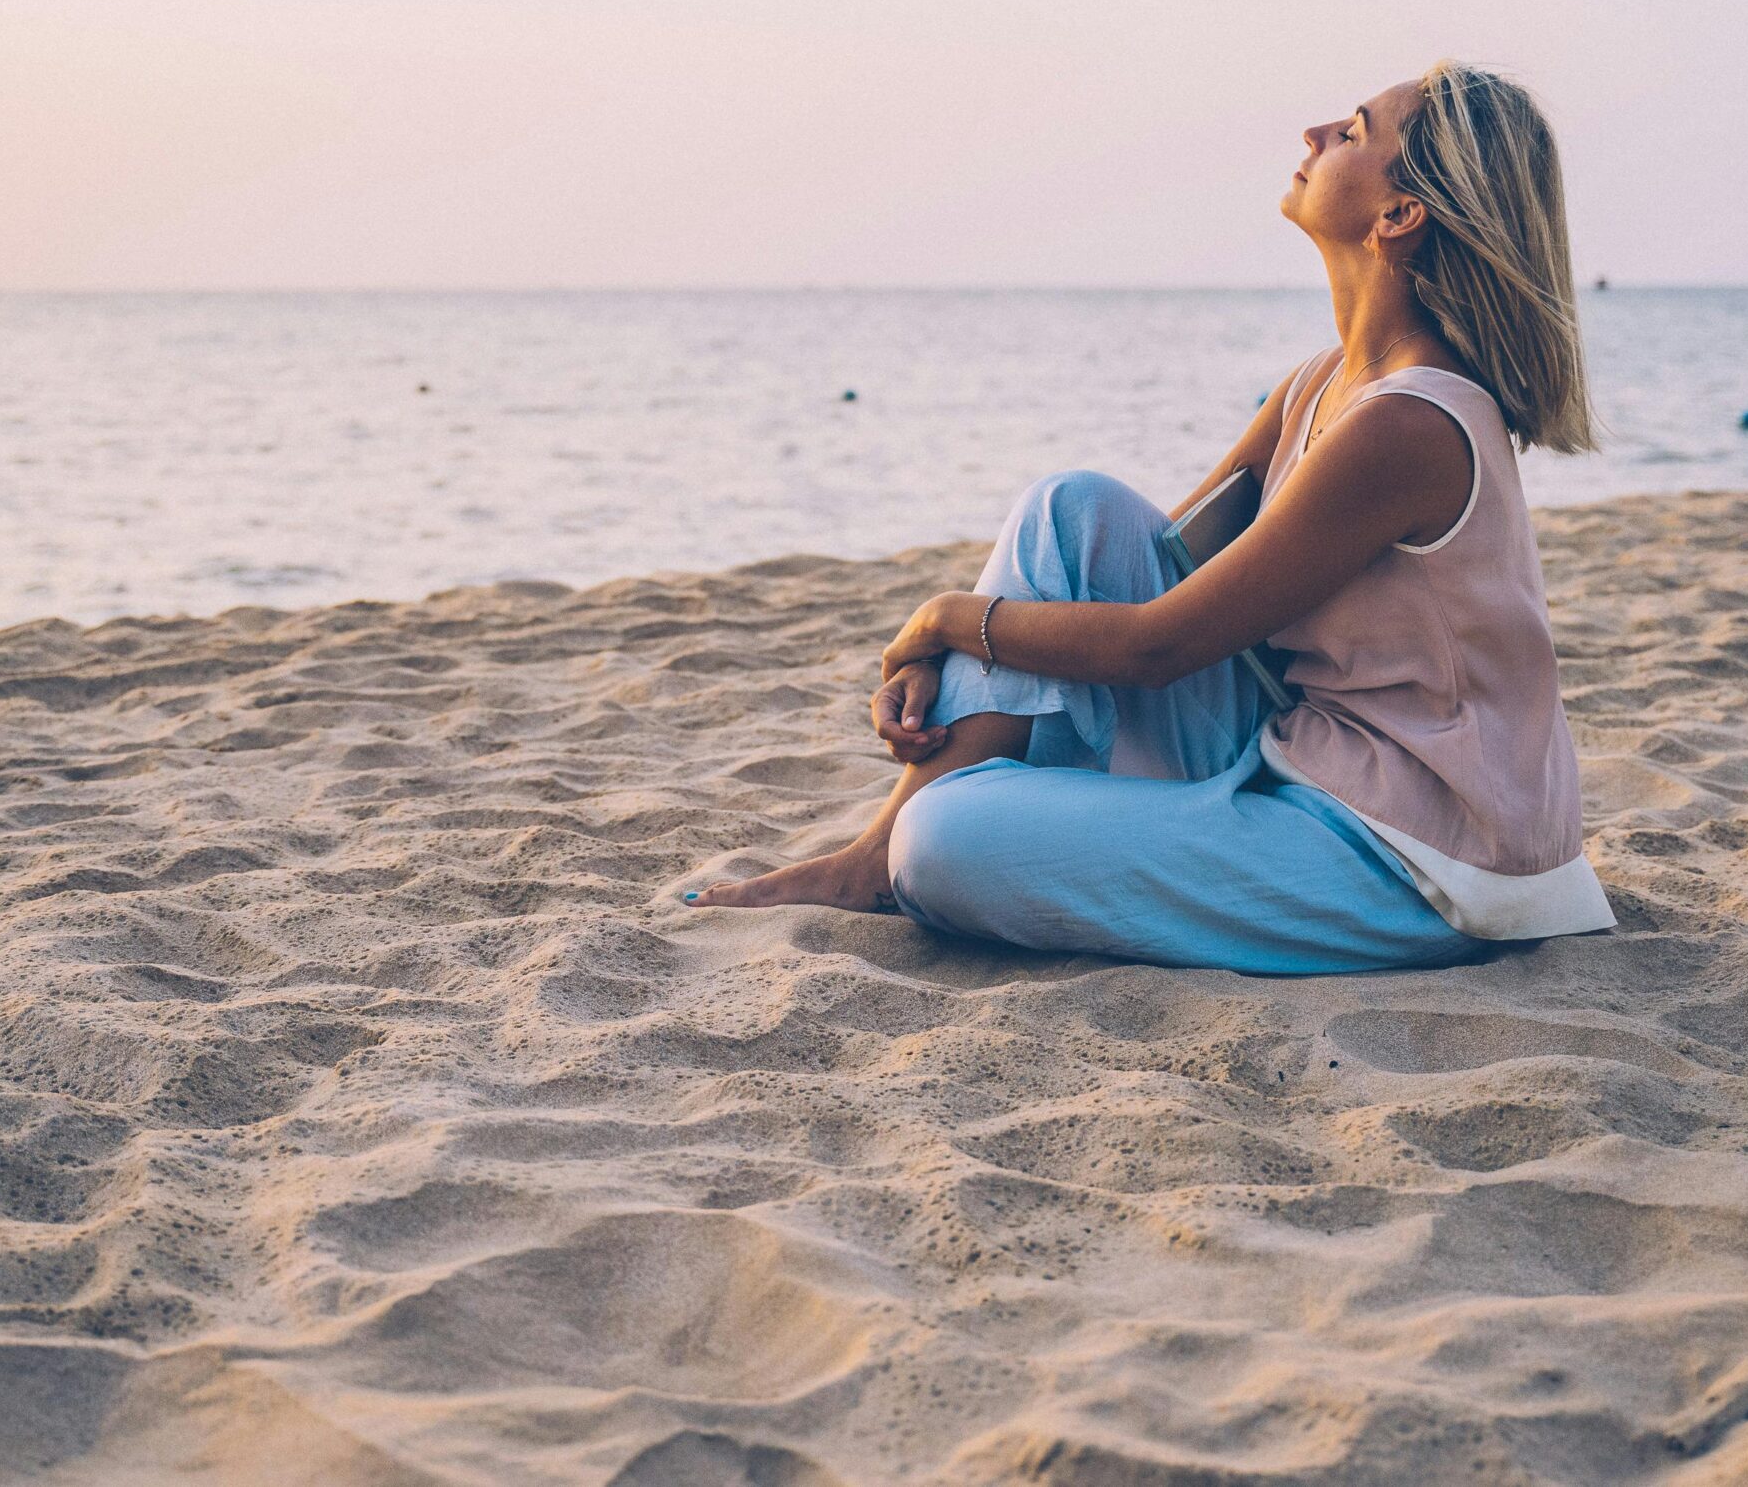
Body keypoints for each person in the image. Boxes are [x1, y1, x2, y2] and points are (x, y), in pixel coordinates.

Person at [680, 60, 1616, 974]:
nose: (1316, 134)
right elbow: (1135, 571)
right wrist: (967, 662)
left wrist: (942, 622)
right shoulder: (1320, 386)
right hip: (1305, 752)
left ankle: (902, 849)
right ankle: (870, 858)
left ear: (1400, 215)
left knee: (943, 841)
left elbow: (1156, 647)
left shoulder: (1410, 423)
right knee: (1069, 512)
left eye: (1355, 131)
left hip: (1418, 854)